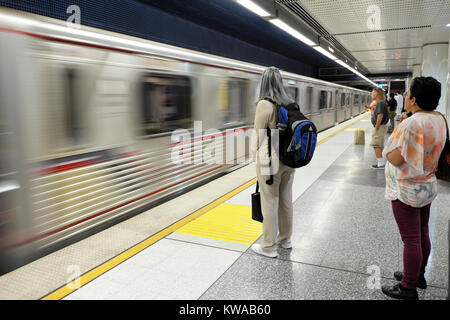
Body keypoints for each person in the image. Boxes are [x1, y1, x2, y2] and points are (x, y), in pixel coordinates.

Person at [381, 77, 447, 300]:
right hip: (427, 185)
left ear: (414, 100)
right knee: (421, 234)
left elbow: (397, 159)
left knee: (410, 239)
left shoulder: (411, 124)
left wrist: (386, 151)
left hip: (407, 189)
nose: (406, 97)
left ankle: (408, 287)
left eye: (408, 94)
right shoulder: (440, 119)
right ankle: (417, 274)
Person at [250, 67, 296, 258]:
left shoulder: (264, 104)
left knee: (269, 201)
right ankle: (285, 239)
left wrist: (254, 158)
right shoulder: (290, 102)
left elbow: (258, 135)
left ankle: (268, 247)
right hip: (289, 159)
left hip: (270, 161)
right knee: (285, 200)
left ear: (264, 82)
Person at [370, 88, 389, 169]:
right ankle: (381, 163)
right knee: (380, 145)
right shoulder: (382, 102)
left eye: (372, 93)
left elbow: (380, 115)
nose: (371, 94)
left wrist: (376, 127)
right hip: (382, 126)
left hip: (379, 127)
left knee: (376, 145)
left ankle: (380, 164)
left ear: (377, 94)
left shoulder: (380, 103)